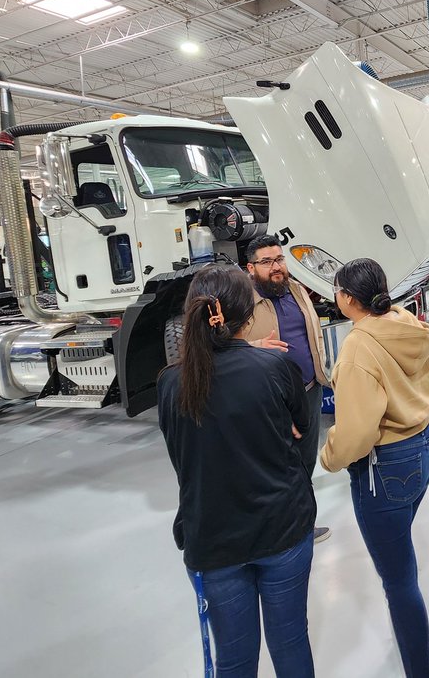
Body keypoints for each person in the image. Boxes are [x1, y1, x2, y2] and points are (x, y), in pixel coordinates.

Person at [157, 264, 316, 678]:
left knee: (233, 658)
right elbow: (300, 430)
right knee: (291, 642)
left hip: (212, 538)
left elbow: (182, 452)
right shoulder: (274, 369)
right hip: (282, 526)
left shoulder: (172, 383)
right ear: (248, 314)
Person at [320, 258, 429, 678]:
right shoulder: (405, 323)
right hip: (427, 448)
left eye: (336, 290)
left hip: (389, 466)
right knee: (401, 547)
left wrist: (328, 456)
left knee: (400, 581)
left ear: (349, 300)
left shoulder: (359, 345)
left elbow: (356, 432)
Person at [244, 234, 332, 543]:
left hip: (307, 391)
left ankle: (301, 526)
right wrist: (254, 345)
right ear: (251, 268)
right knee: (272, 465)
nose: (276, 267)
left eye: (279, 259)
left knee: (305, 461)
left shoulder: (296, 290)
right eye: (267, 262)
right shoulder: (239, 300)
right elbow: (218, 345)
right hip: (269, 398)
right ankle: (273, 530)